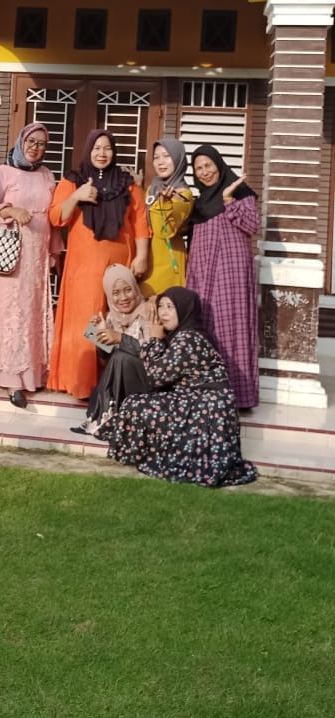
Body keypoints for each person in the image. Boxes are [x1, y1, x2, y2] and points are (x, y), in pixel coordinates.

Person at [101, 287, 256, 487]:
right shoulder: (183, 335)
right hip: (198, 401)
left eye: (170, 307)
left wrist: (154, 340)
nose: (163, 313)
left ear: (184, 310)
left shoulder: (187, 339)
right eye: (161, 306)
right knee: (138, 402)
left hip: (206, 408)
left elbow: (156, 377)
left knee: (136, 404)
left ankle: (139, 450)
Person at [47, 129, 149, 401]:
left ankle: (115, 381)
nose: (102, 153)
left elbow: (140, 221)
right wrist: (77, 196)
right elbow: (56, 217)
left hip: (120, 262)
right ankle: (83, 382)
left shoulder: (128, 184)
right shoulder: (73, 181)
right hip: (84, 267)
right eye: (96, 148)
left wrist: (141, 256)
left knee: (118, 318)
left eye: (107, 148)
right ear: (88, 150)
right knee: (88, 319)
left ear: (114, 152)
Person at [0, 123, 63, 408]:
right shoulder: (4, 172)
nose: (35, 148)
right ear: (21, 142)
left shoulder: (47, 175)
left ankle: (34, 373)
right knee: (11, 314)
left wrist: (54, 252)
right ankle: (12, 379)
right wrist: (9, 209)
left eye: (41, 143)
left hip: (37, 258)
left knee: (33, 313)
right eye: (31, 141)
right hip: (10, 254)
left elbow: (52, 217)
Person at [185, 144, 259, 409]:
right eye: (198, 168)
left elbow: (252, 225)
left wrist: (228, 200)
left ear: (219, 164)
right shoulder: (199, 204)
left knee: (233, 330)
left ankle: (238, 396)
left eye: (208, 165)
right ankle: (209, 393)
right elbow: (194, 243)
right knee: (207, 328)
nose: (204, 172)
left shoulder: (240, 193)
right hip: (204, 275)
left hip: (232, 276)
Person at [71, 263, 153, 437]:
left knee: (122, 358)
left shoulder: (147, 312)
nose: (123, 297)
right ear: (109, 294)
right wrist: (100, 335)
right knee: (118, 358)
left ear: (135, 288)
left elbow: (152, 353)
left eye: (128, 290)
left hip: (147, 381)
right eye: (116, 293)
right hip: (122, 383)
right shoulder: (111, 317)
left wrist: (121, 338)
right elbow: (106, 361)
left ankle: (100, 418)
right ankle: (104, 417)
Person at [140, 139, 194, 297]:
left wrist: (165, 204)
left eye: (166, 156)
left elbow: (164, 230)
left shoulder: (183, 194)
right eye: (156, 157)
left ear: (178, 159)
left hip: (167, 264)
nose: (160, 162)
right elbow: (145, 216)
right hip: (147, 261)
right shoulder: (153, 188)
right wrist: (139, 189)